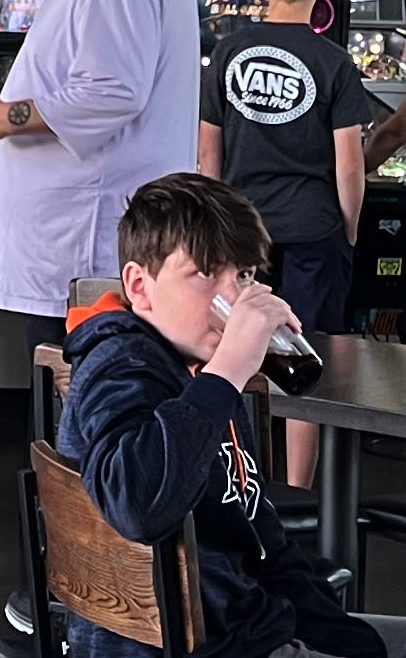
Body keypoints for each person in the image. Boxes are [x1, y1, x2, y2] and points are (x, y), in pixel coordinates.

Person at [0, 0, 197, 644]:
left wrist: (1, 118)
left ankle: (88, 597)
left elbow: (108, 92)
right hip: (91, 243)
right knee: (83, 418)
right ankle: (81, 588)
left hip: (93, 248)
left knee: (92, 423)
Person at [59, 173, 406, 658]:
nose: (235, 298)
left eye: (243, 275)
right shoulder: (121, 364)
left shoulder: (202, 375)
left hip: (254, 628)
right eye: (206, 272)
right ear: (140, 287)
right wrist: (225, 375)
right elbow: (137, 505)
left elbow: (267, 547)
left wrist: (354, 643)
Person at [198, 0, 365, 489]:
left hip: (245, 232)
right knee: (307, 362)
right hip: (315, 228)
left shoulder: (226, 53)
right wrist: (349, 228)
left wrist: (213, 233)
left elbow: (208, 156)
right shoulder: (335, 62)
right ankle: (297, 496)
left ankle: (238, 484)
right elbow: (349, 165)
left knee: (237, 354)